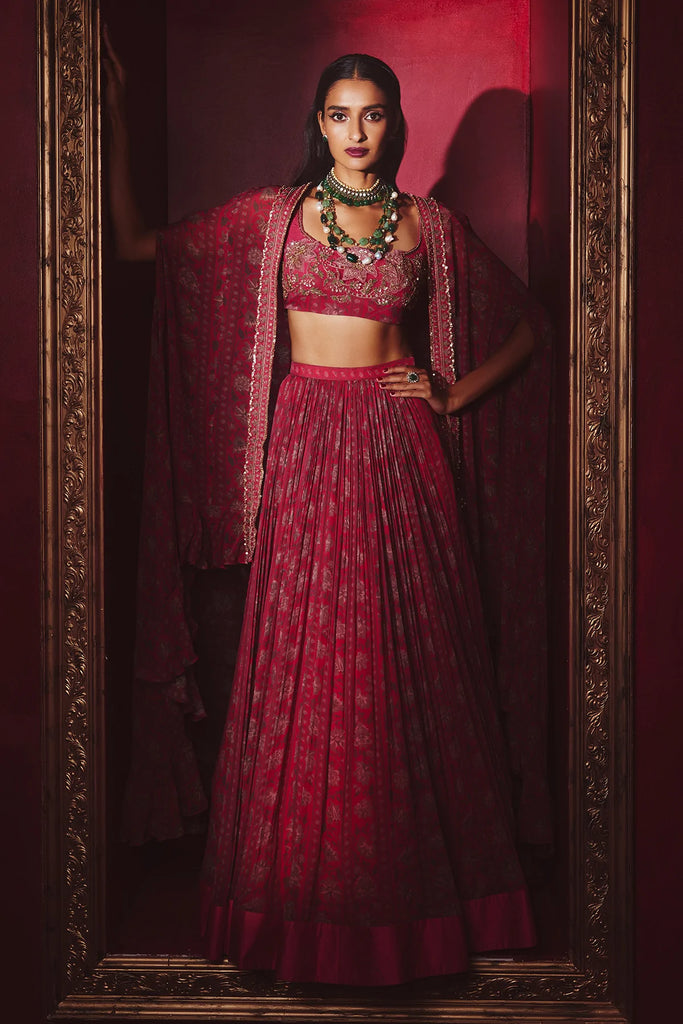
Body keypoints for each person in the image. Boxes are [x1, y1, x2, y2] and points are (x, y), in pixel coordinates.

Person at [104, 41, 551, 986]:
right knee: (311, 661)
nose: (357, 132)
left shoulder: (427, 224)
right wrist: (107, 122)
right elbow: (143, 247)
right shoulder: (274, 218)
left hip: (401, 448)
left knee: (414, 655)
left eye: (373, 114)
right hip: (307, 444)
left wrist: (451, 395)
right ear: (318, 123)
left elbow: (529, 326)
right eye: (340, 115)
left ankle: (423, 906)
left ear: (394, 123)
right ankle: (304, 904)